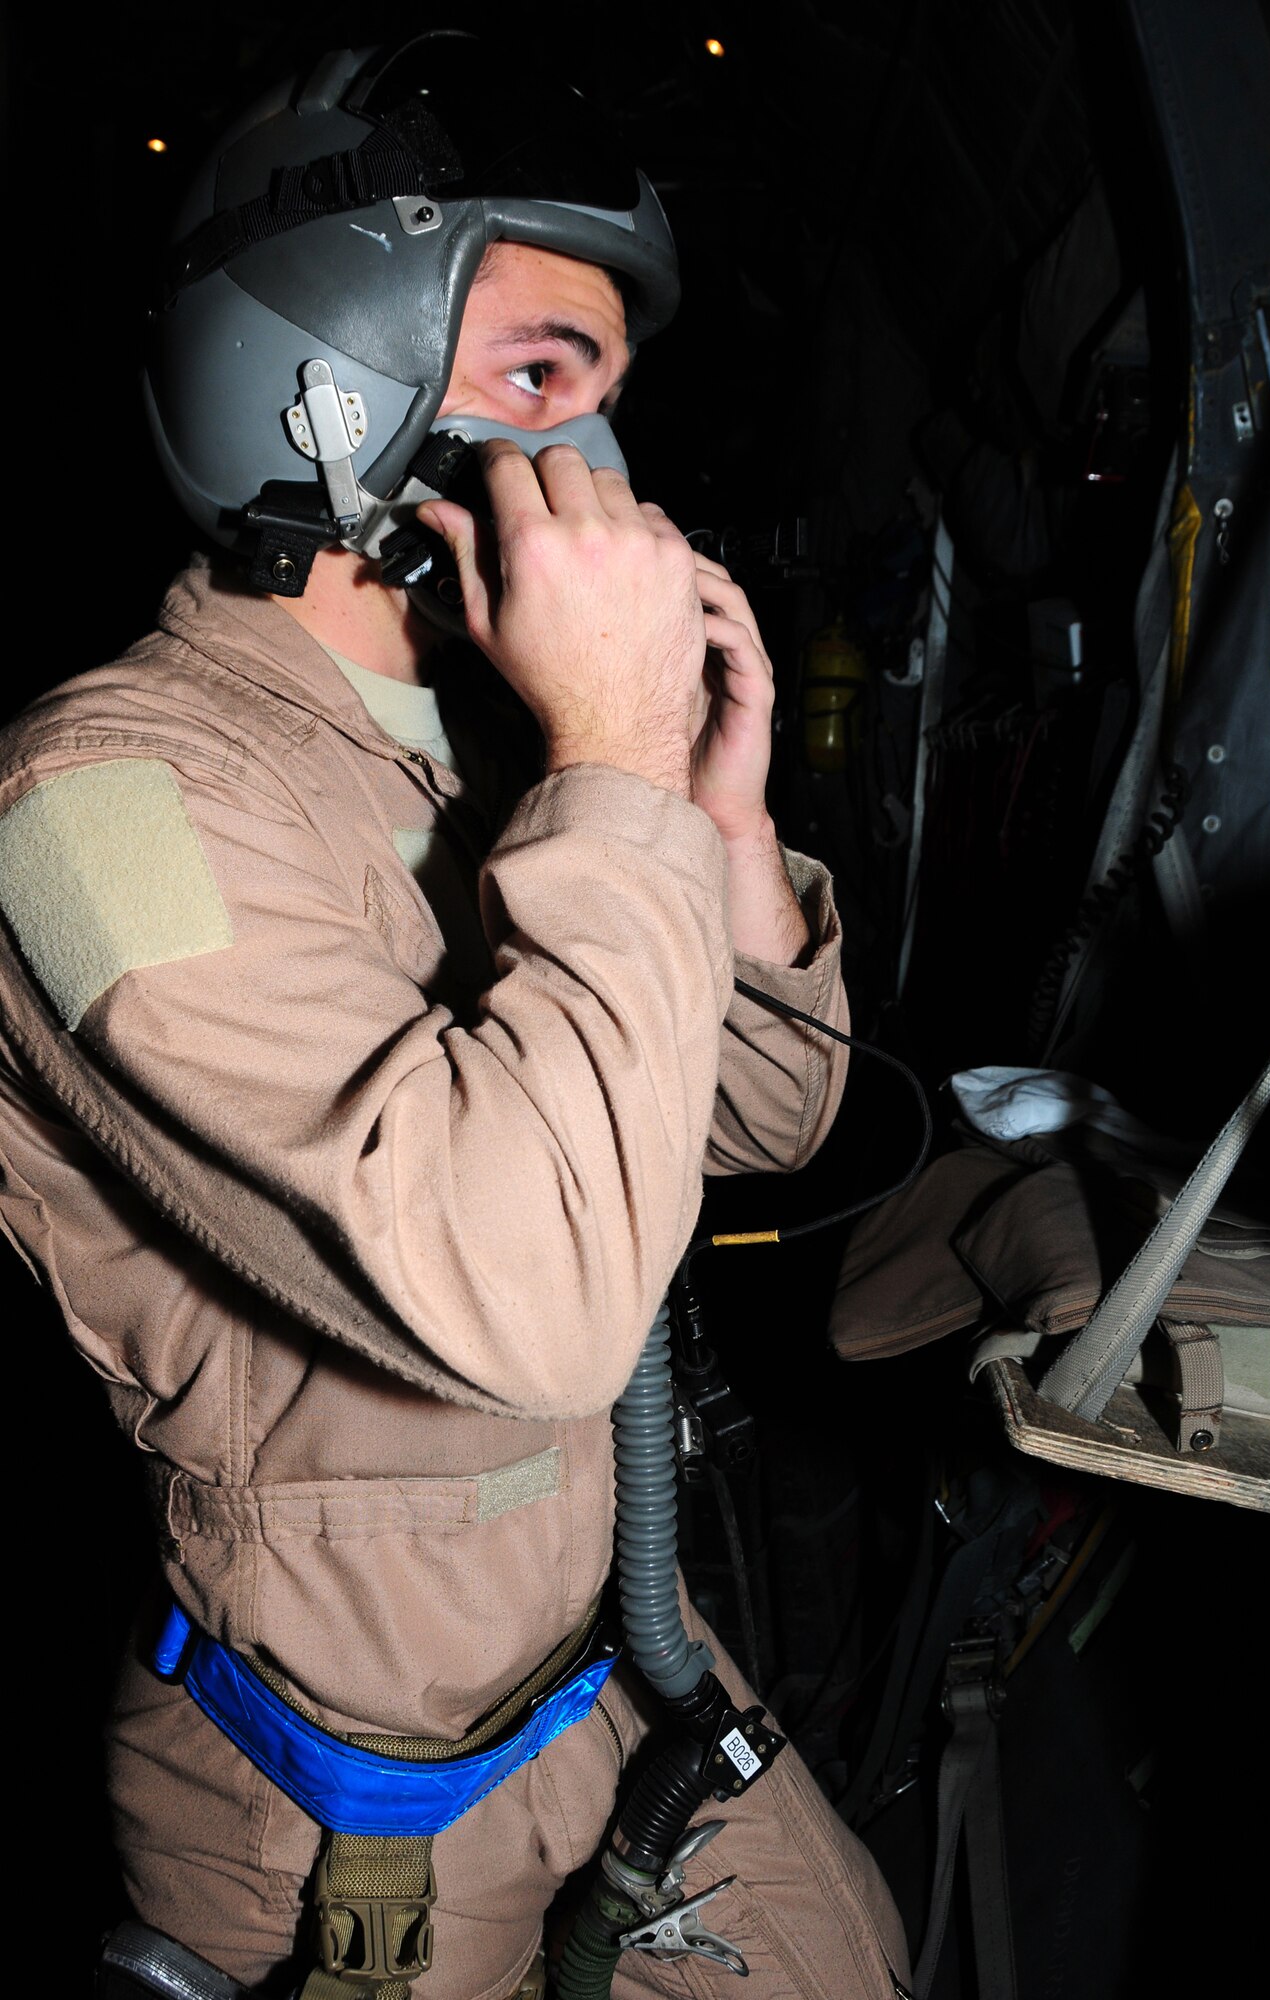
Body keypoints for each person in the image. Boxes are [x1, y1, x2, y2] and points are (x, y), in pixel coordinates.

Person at [0, 29, 910, 2000]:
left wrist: (711, 818)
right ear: (320, 383)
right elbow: (523, 1303)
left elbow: (760, 1123)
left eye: (602, 407)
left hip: (609, 1661)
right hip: (350, 1795)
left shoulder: (481, 748)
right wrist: (608, 762)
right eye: (536, 384)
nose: (590, 469)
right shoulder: (98, 806)